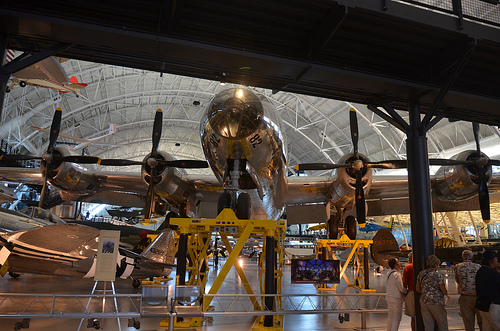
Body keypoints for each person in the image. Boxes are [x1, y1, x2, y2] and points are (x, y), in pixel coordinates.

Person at [416, 255, 449, 331]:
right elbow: (443, 291)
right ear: (436, 264)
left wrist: (426, 293)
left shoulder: (421, 274)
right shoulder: (438, 275)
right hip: (436, 303)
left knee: (428, 325)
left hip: (424, 302)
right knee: (442, 324)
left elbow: (417, 289)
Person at [454, 249, 481, 331]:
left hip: (465, 297)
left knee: (468, 323)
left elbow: (457, 280)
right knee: (481, 322)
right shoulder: (478, 267)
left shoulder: (457, 267)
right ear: (472, 258)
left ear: (462, 257)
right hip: (477, 297)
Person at [475, 250, 500, 330]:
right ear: (492, 260)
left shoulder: (480, 271)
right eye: (496, 258)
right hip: (493, 306)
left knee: (487, 328)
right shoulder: (492, 273)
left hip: (483, 306)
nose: (498, 260)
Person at [386, 257, 407, 331]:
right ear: (395, 265)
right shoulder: (397, 275)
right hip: (396, 298)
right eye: (398, 263)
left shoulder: (388, 273)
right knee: (397, 318)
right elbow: (401, 288)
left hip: (389, 297)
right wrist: (407, 291)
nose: (399, 264)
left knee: (391, 316)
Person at [403, 252, 416, 331]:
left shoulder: (407, 267)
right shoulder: (422, 266)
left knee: (413, 317)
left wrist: (404, 292)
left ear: (411, 258)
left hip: (411, 293)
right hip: (423, 293)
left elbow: (405, 282)